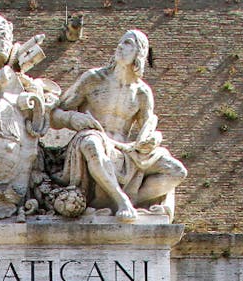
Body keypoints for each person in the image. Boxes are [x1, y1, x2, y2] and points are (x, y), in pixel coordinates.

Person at [51, 29, 187, 220]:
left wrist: (153, 139)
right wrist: (72, 119)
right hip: (93, 136)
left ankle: (127, 202)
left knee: (177, 172)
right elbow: (55, 114)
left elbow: (148, 126)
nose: (120, 47)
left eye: (128, 43)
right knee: (92, 144)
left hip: (125, 149)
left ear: (139, 53)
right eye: (121, 42)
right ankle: (120, 201)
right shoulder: (94, 79)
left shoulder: (142, 93)